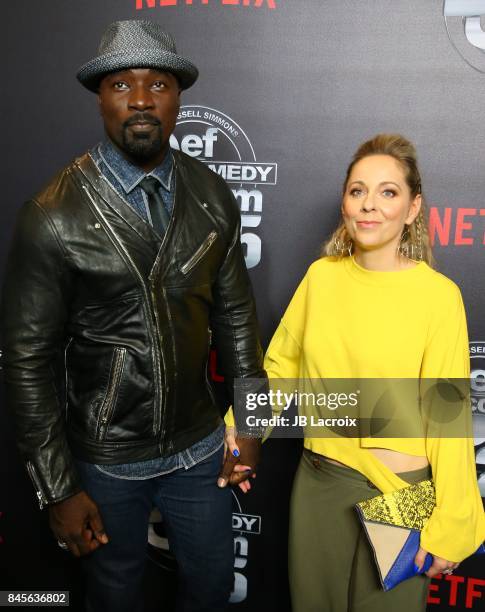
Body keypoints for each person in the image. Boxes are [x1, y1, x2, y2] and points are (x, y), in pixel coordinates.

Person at [1, 19, 264, 612]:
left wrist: (250, 424)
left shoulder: (211, 194)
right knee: (115, 593)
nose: (141, 99)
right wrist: (57, 487)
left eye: (159, 84)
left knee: (213, 587)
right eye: (122, 84)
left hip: (199, 448)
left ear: (178, 97)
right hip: (105, 458)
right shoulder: (52, 214)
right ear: (101, 98)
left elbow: (238, 320)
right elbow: (25, 361)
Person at [262, 134, 485, 611]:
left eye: (388, 192)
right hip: (319, 483)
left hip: (397, 497)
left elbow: (449, 419)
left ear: (413, 208)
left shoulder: (438, 296)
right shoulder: (321, 278)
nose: (369, 205)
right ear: (344, 201)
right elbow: (281, 366)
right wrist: (240, 432)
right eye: (357, 190)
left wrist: (454, 522)